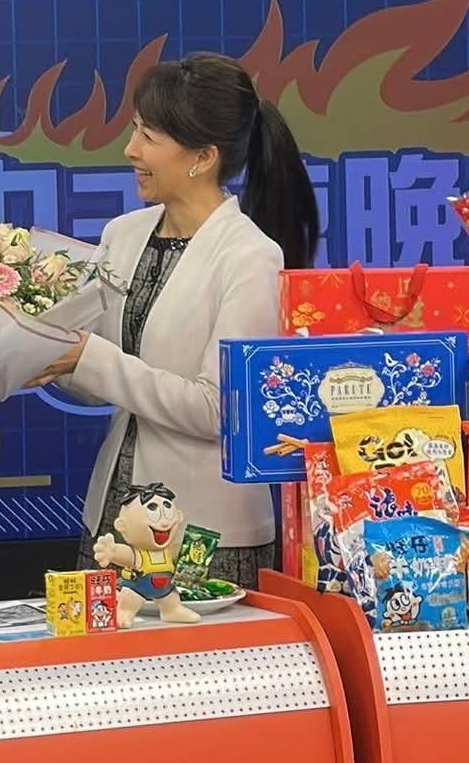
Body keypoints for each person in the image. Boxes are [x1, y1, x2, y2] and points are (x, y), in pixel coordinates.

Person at [29, 53, 319, 589]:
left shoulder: (250, 256)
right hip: (114, 519)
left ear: (203, 157)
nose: (131, 149)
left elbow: (219, 411)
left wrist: (88, 358)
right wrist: (39, 349)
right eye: (135, 130)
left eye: (149, 136)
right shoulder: (123, 234)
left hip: (202, 534)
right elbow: (96, 375)